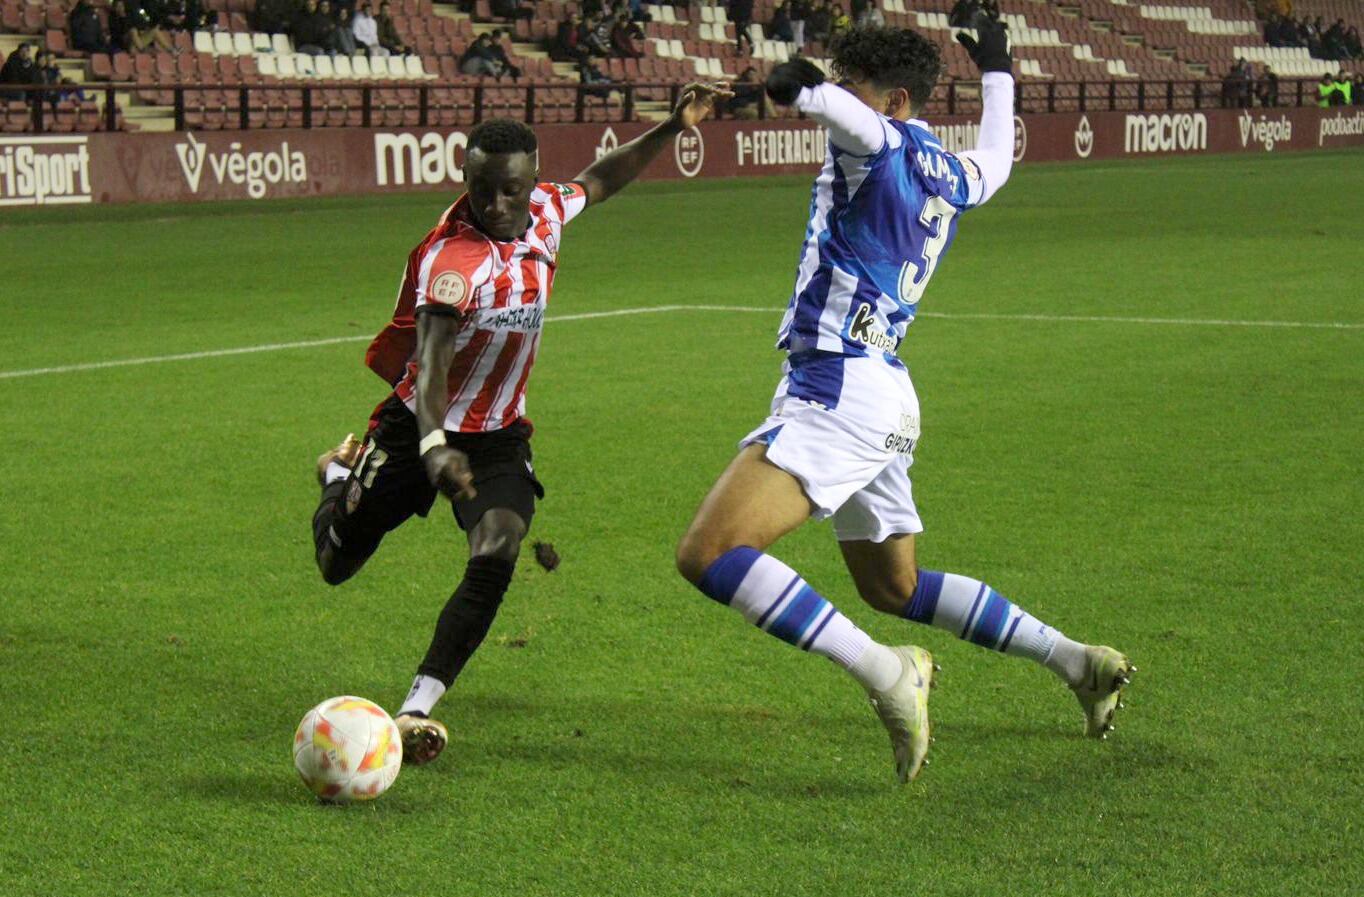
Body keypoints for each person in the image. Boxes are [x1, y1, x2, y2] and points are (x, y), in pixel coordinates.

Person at [673, 19, 1133, 786]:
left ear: (899, 98)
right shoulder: (954, 171)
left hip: (839, 386)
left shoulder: (878, 142)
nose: (847, 102)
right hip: (884, 390)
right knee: (894, 586)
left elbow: (858, 123)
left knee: (708, 553)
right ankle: (1075, 661)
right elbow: (999, 158)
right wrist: (997, 64)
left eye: (859, 86)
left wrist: (814, 93)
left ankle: (889, 673)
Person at [309, 87, 729, 766]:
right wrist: (434, 444)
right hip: (417, 426)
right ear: (466, 180)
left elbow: (601, 178)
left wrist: (668, 129)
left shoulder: (547, 212)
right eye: (481, 189)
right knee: (336, 562)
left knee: (498, 543)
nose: (496, 205)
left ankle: (417, 707)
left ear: (531, 183)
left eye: (509, 190)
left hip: (499, 434)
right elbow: (433, 362)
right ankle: (335, 475)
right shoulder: (452, 262)